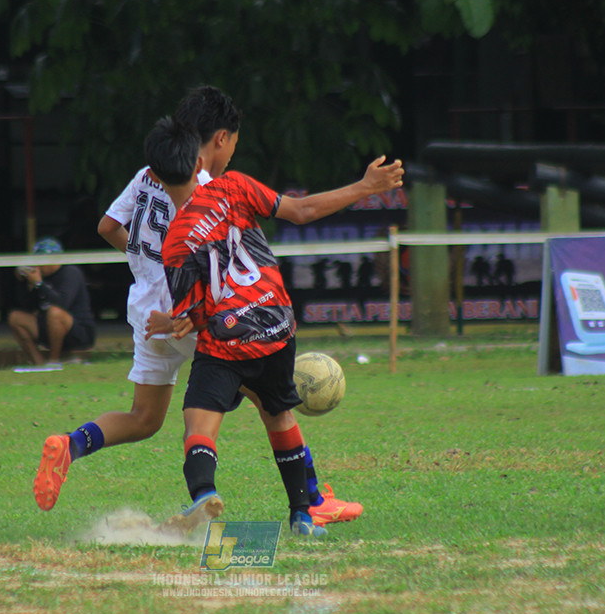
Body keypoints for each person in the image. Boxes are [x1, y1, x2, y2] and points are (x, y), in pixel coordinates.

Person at [32, 87, 363, 530]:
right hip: (192, 315)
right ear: (220, 140)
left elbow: (108, 225)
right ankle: (312, 499)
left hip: (144, 309)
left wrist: (148, 264)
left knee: (144, 418)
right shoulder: (208, 189)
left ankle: (70, 445)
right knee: (273, 402)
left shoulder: (149, 172)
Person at [146, 116, 404, 538]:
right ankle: (303, 516)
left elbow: (192, 316)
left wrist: (170, 323)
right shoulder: (233, 186)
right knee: (280, 414)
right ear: (199, 163)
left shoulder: (175, 243)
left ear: (155, 177)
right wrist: (365, 186)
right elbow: (301, 210)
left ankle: (203, 495)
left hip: (228, 342)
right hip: (277, 326)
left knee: (198, 423)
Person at [8, 237, 96, 371]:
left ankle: (53, 361)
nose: (39, 266)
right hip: (48, 329)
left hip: (77, 332)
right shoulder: (39, 275)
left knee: (55, 313)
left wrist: (39, 284)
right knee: (15, 317)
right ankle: (38, 362)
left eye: (42, 262)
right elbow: (29, 306)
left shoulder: (70, 273)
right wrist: (23, 282)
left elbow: (62, 303)